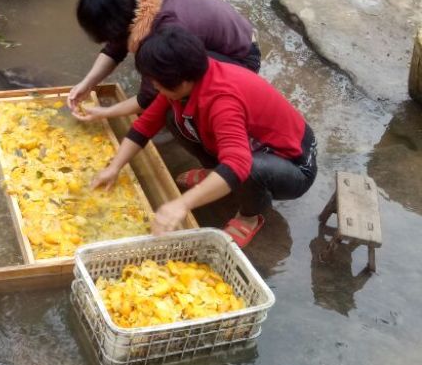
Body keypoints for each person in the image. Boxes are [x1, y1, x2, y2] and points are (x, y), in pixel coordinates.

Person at [89, 27, 317, 247]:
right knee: (172, 117)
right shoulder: (188, 79)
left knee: (249, 168)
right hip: (249, 145)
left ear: (182, 80)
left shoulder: (222, 101)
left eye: (157, 82)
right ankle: (214, 174)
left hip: (293, 165)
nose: (154, 86)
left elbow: (239, 163)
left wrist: (181, 204)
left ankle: (250, 215)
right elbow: (145, 124)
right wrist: (114, 167)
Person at [67, 0, 260, 121]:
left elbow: (148, 98)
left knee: (172, 96)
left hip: (241, 60)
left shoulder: (166, 29)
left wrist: (104, 113)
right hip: (228, 40)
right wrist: (87, 84)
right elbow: (115, 47)